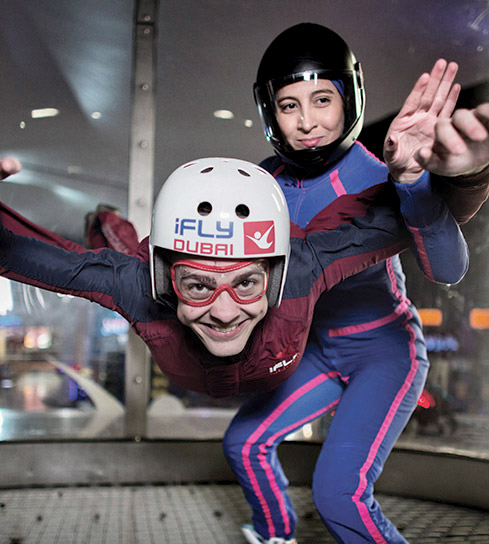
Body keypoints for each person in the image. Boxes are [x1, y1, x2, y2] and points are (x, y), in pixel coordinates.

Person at [217, 23, 489, 544]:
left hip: (383, 354)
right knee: (244, 442)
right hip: (318, 352)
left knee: (339, 496)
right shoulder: (261, 184)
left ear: (349, 101)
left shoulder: (381, 171)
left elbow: (447, 267)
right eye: (289, 105)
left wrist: (414, 182)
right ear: (270, 113)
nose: (307, 120)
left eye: (322, 99)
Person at [1, 155, 464, 398]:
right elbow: (41, 259)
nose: (223, 313)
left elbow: (413, 219)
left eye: (245, 283)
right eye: (198, 285)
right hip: (140, 267)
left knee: (340, 219)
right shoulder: (140, 282)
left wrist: (432, 175)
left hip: (297, 244)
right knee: (119, 247)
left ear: (277, 277)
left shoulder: (302, 266)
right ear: (166, 281)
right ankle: (105, 217)